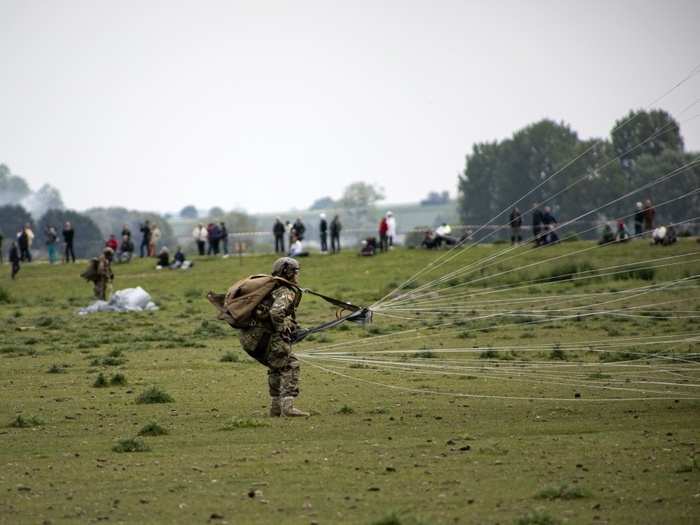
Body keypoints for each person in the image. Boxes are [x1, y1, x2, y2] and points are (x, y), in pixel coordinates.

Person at [238, 257, 309, 417]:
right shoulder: (285, 291)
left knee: (276, 365)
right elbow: (276, 312)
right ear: (288, 273)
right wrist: (282, 328)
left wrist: (290, 326)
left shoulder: (268, 289)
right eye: (296, 272)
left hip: (249, 339)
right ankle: (288, 407)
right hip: (263, 338)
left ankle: (276, 407)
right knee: (290, 364)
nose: (298, 276)